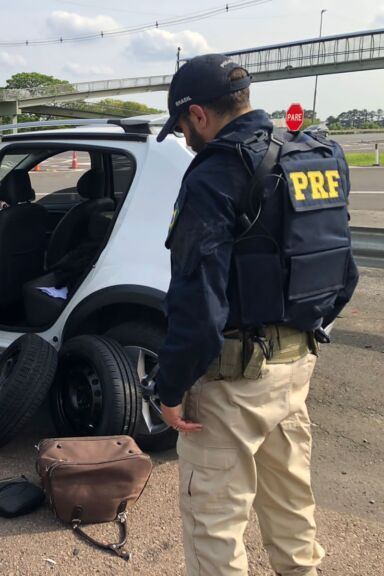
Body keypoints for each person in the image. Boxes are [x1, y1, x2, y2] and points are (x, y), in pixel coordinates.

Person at [153, 54, 359, 576]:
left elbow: (198, 306)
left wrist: (170, 390)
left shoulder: (217, 171)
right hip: (295, 372)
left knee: (215, 529)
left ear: (197, 114)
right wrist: (301, 332)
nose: (185, 139)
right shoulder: (315, 154)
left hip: (230, 384)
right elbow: (345, 272)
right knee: (292, 516)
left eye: (181, 128)